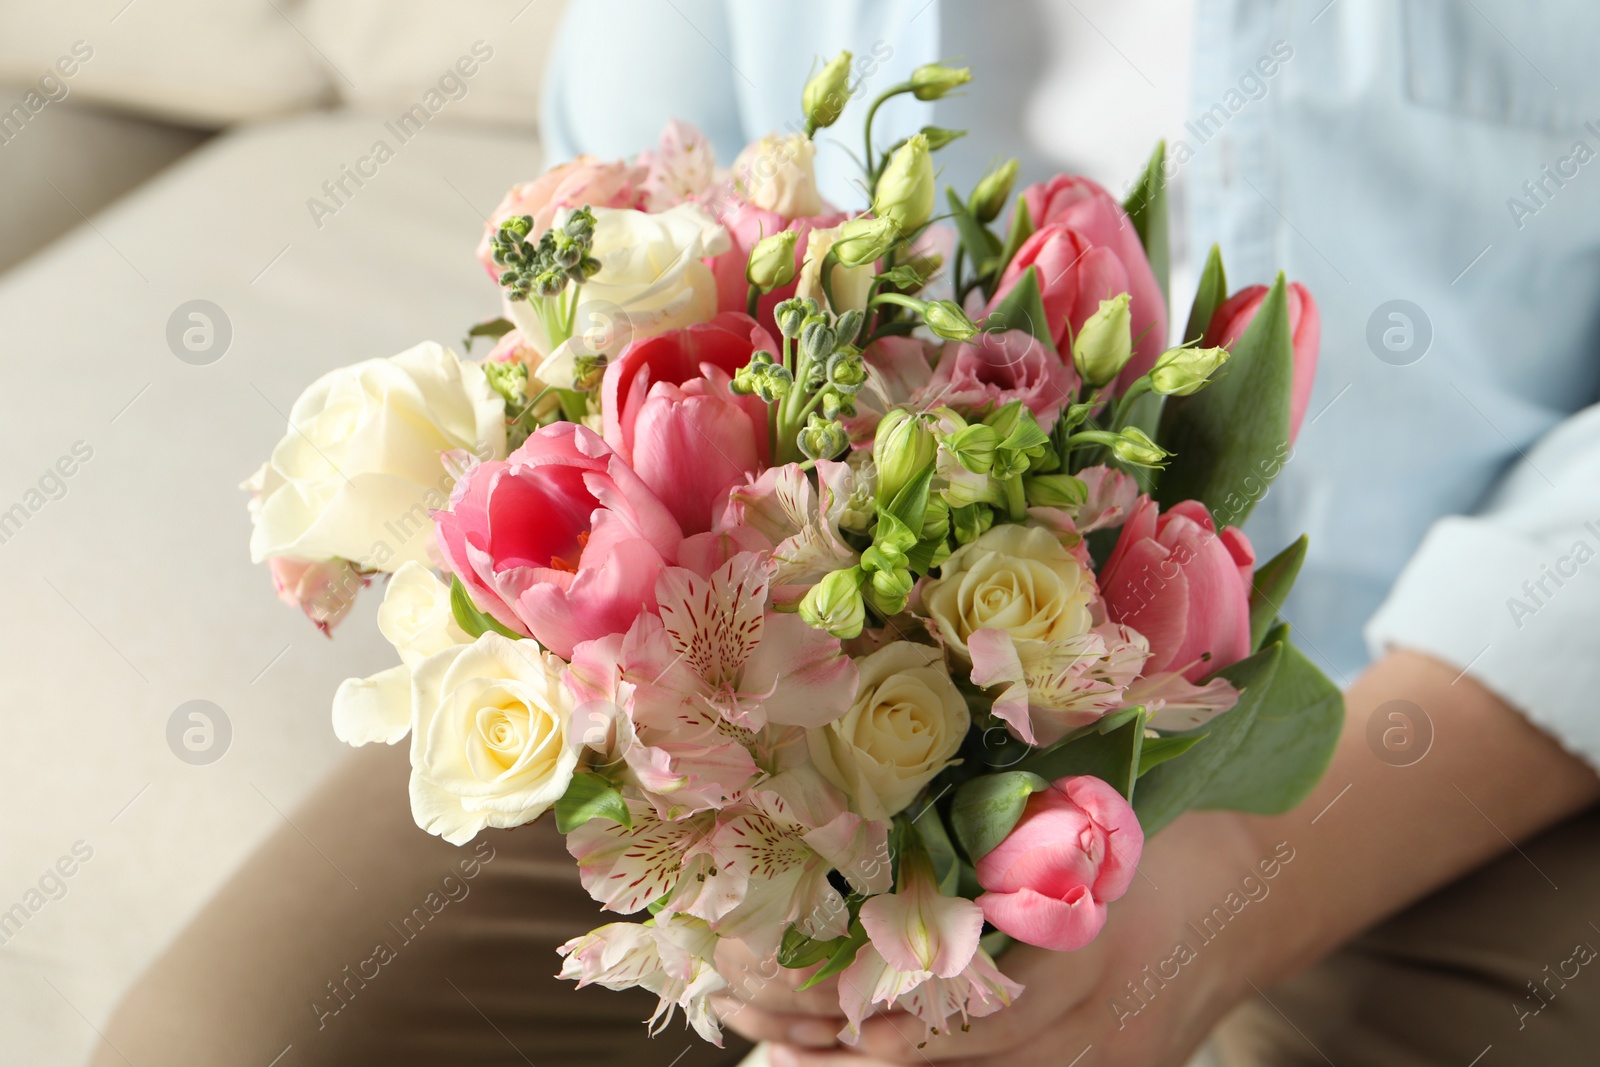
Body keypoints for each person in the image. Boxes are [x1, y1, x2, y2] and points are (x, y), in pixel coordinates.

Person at [95, 2, 1600, 1065]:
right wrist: (754, 866)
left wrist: (1235, 904)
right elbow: (633, 226)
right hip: (789, 632)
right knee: (229, 1039)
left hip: (1486, 695)